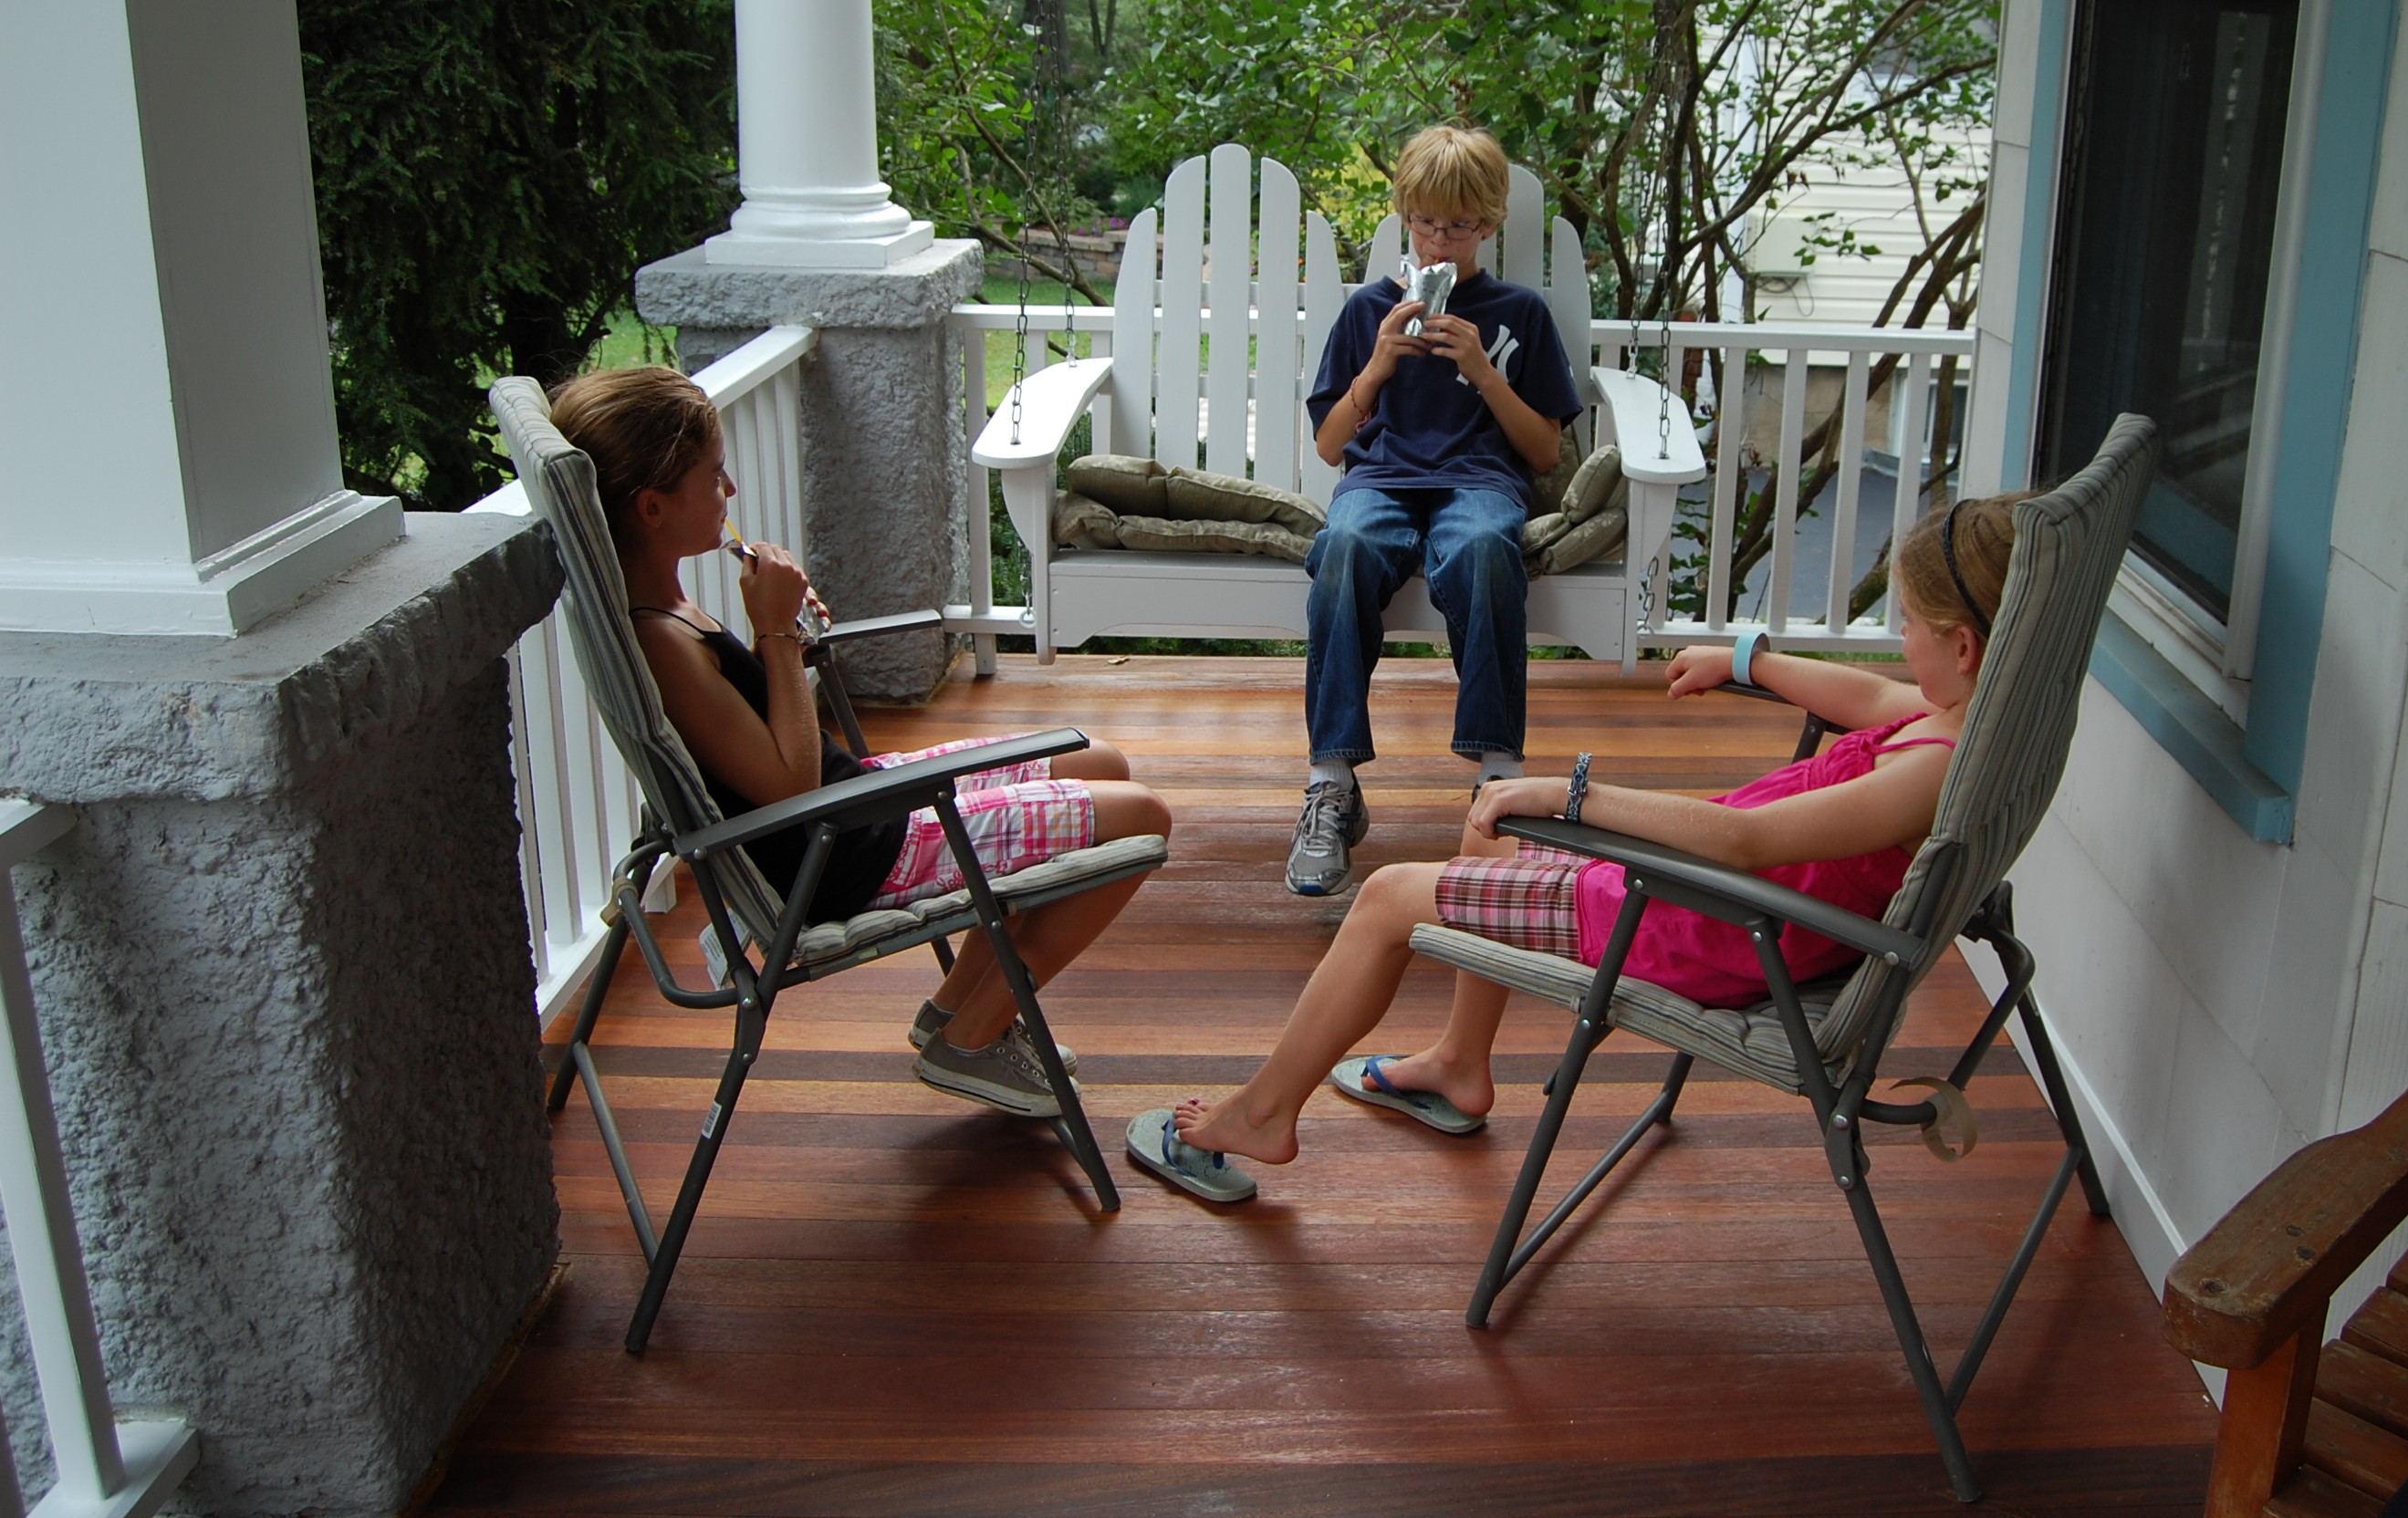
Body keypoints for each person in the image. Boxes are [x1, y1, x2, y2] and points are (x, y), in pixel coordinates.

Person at [1127, 492, 2023, 1203]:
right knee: (1488, 818)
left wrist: (1574, 795)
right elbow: (1868, 698)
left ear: (1961, 644)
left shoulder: (1928, 770)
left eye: (1909, 624)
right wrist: (1745, 657)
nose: (1898, 640)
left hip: (1693, 923)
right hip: (1713, 903)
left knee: (1390, 897)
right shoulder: (1963, 722)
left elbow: (1742, 839)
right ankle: (1458, 1065)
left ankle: (1263, 1113)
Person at [549, 367, 1171, 1120]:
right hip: (848, 854)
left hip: (855, 806)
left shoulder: (667, 611)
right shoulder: (663, 646)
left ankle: (953, 1010)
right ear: (652, 507)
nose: (731, 491)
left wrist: (787, 635)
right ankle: (972, 1038)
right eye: (714, 477)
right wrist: (774, 635)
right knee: (1141, 818)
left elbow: (766, 748)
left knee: (1097, 761)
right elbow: (788, 787)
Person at [1288, 124, 1585, 897]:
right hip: (1381, 480)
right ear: (1405, 218)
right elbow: (1330, 445)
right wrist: (1380, 365)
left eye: (1458, 226)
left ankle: (1497, 776)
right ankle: (1331, 783)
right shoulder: (1369, 311)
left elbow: (1544, 452)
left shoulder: (1520, 312)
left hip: (1480, 482)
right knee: (1344, 548)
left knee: (1486, 550)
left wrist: (1484, 371)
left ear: (1488, 224)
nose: (1439, 242)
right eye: (1424, 223)